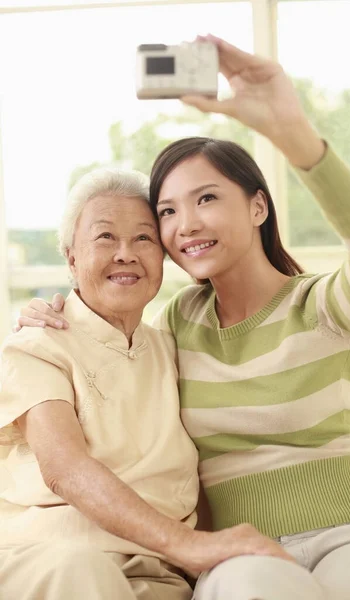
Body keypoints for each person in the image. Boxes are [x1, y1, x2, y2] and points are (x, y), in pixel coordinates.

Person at [13, 34, 350, 599]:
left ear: (258, 206)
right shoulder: (176, 324)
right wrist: (46, 310)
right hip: (236, 549)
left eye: (207, 199)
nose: (186, 223)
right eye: (168, 211)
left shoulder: (321, 307)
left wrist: (292, 132)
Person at [0, 168, 298, 600]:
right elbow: (65, 469)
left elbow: (250, 412)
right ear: (71, 258)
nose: (126, 254)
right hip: (52, 557)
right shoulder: (35, 345)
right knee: (83, 571)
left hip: (159, 575)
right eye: (105, 238)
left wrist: (341, 458)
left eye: (144, 239)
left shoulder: (175, 348)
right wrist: (192, 546)